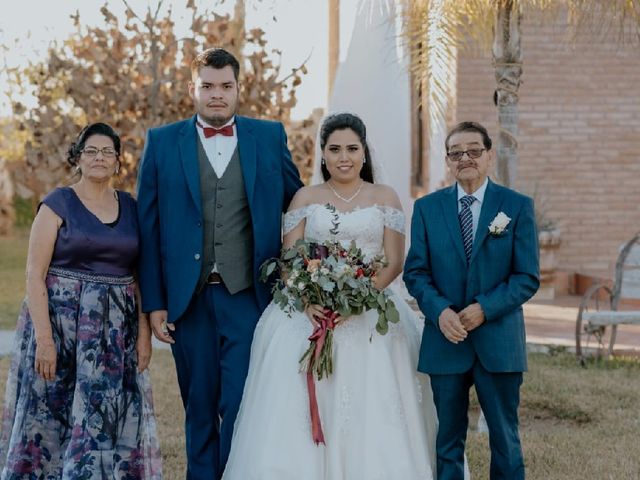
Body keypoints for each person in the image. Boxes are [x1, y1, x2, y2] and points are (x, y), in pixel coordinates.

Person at [222, 112, 438, 480]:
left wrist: (358, 300)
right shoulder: (305, 197)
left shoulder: (385, 197)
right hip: (307, 312)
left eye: (352, 148)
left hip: (371, 311)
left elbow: (394, 260)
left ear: (364, 153)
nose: (344, 157)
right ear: (322, 154)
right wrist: (308, 300)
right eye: (334, 149)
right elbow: (290, 260)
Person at [136, 47, 303, 480]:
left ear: (237, 89)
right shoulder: (161, 142)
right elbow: (149, 229)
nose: (216, 95)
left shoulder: (268, 137)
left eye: (225, 86)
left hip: (249, 296)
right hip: (187, 300)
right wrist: (154, 302)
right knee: (199, 404)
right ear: (193, 89)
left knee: (242, 402)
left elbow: (298, 205)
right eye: (207, 86)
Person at [0, 123, 162, 479]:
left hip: (113, 338)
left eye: (107, 152)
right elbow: (33, 275)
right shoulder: (58, 204)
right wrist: (45, 340)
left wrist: (143, 335)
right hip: (60, 330)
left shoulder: (132, 208)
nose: (99, 158)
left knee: (106, 417)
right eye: (91, 151)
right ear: (78, 157)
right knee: (50, 417)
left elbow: (138, 276)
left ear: (118, 161)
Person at [404, 121, 540, 480]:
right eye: (456, 153)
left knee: (505, 439)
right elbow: (415, 273)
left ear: (489, 155)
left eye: (473, 151)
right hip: (445, 341)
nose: (465, 158)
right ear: (448, 161)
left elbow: (527, 277)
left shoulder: (516, 207)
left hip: (499, 341)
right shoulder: (427, 209)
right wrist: (440, 311)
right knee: (447, 440)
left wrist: (485, 308)